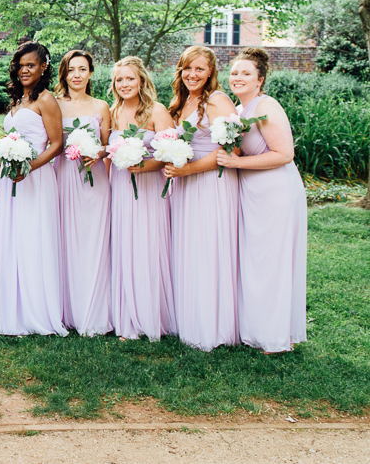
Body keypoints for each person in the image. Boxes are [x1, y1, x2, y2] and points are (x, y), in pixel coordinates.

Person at [220, 48, 307, 353]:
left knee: (272, 262)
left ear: (260, 79)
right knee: (256, 262)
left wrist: (235, 164)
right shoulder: (237, 109)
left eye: (246, 73)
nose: (238, 78)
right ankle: (256, 328)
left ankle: (275, 337)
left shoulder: (266, 104)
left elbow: (284, 154)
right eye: (234, 73)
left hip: (275, 192)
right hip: (252, 192)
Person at [164, 45, 240, 352]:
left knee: (209, 250)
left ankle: (213, 327)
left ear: (210, 72)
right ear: (180, 71)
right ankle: (189, 320)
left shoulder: (218, 100)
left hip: (211, 185)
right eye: (187, 68)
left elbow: (230, 150)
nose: (192, 74)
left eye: (199, 69)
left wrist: (188, 169)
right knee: (188, 249)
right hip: (185, 187)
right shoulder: (181, 102)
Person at [0, 41, 66, 337]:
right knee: (11, 238)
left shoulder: (46, 100)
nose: (24, 70)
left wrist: (28, 168)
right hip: (11, 180)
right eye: (20, 65)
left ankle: (35, 309)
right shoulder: (17, 100)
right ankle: (11, 307)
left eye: (30, 65)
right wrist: (2, 184)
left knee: (34, 239)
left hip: (37, 179)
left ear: (43, 67)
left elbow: (57, 145)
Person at [108, 56, 176, 342]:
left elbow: (172, 152)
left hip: (148, 189)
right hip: (122, 189)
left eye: (130, 79)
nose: (125, 84)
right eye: (119, 79)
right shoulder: (113, 111)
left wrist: (145, 164)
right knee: (125, 246)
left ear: (142, 81)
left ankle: (151, 317)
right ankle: (128, 318)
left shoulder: (156, 111)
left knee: (147, 246)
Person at [54, 50, 113, 337]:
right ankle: (65, 311)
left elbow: (108, 146)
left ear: (90, 73)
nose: (76, 75)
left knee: (93, 241)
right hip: (62, 177)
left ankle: (94, 311)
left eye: (83, 69)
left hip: (94, 180)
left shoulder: (101, 106)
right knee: (64, 240)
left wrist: (96, 152)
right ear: (63, 73)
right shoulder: (53, 104)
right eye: (71, 69)